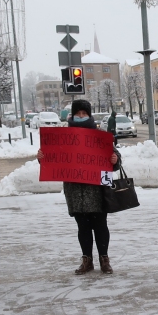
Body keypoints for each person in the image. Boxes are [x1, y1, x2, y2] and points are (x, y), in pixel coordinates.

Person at [36, 99, 120, 275]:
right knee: (83, 228)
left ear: (89, 115)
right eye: (78, 113)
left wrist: (115, 159)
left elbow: (114, 157)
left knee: (100, 226)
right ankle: (86, 260)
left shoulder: (99, 135)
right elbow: (54, 158)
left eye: (84, 113)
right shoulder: (63, 136)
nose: (81, 116)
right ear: (72, 115)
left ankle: (104, 259)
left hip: (97, 190)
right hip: (75, 191)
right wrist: (42, 157)